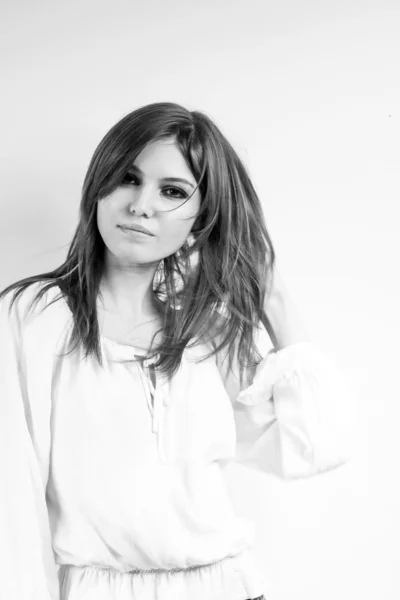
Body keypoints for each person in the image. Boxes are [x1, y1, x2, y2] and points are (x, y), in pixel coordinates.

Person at [0, 102, 352, 600]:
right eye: (127, 178)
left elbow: (313, 447)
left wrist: (272, 296)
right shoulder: (31, 316)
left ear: (201, 217)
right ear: (98, 186)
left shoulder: (206, 328)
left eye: (172, 191)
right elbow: (8, 504)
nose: (142, 205)